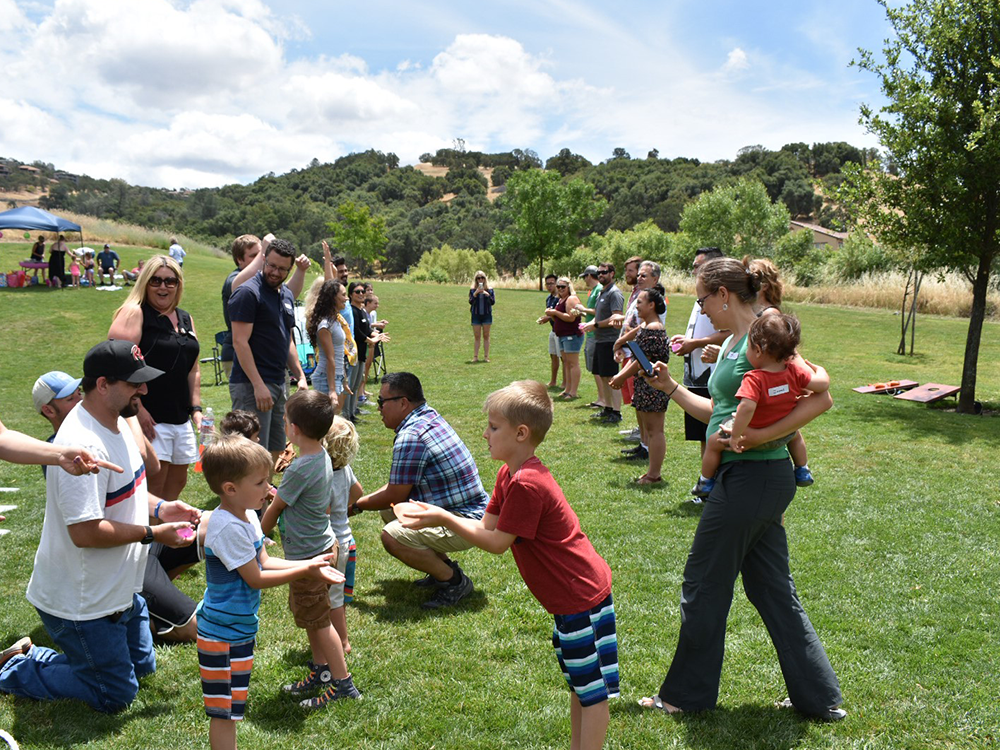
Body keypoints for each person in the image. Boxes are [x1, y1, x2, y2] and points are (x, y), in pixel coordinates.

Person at [635, 257, 845, 721]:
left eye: (703, 298)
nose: (701, 308)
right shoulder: (733, 342)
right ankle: (819, 698)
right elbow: (720, 411)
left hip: (753, 477)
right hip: (755, 480)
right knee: (772, 588)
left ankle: (685, 696)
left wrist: (762, 437)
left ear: (723, 295)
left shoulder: (767, 331)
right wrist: (669, 386)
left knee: (704, 582)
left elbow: (821, 395)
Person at [398, 380, 618, 750]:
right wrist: (438, 516)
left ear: (521, 433)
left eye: (493, 427)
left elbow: (498, 543)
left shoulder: (528, 484)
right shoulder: (508, 474)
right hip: (571, 597)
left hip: (580, 596)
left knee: (592, 695)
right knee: (581, 686)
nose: (484, 434)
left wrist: (443, 517)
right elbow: (486, 526)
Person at [0, 340, 200, 713]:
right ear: (104, 384)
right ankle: (13, 669)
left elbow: (129, 492)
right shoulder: (80, 443)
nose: (143, 389)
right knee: (114, 695)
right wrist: (154, 533)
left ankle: (32, 655)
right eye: (134, 382)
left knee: (144, 669)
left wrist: (163, 507)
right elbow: (86, 532)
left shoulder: (118, 420)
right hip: (82, 603)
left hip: (120, 589)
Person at [198, 434, 343, 749]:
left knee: (233, 707)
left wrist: (307, 563)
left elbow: (263, 560)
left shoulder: (248, 515)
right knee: (224, 713)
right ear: (230, 489)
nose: (270, 489)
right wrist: (306, 569)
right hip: (220, 635)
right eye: (261, 483)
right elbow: (256, 578)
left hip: (238, 629)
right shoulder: (227, 528)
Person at [351, 372, 488, 610]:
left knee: (392, 535)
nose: (379, 408)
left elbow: (395, 494)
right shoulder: (427, 417)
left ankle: (454, 582)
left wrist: (354, 506)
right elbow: (398, 489)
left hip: (465, 522)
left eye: (383, 402)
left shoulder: (411, 435)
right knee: (390, 510)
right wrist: (363, 502)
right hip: (471, 512)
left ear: (403, 402)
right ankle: (444, 569)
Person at [261, 390, 361, 709]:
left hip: (309, 556)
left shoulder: (299, 468)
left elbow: (275, 510)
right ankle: (322, 671)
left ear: (294, 430)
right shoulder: (320, 456)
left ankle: (342, 683)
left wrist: (254, 539)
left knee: (319, 621)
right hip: (318, 547)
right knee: (311, 615)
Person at [693, 313, 829, 498]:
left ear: (757, 350)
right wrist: (820, 370)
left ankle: (706, 481)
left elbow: (746, 408)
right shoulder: (795, 372)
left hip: (754, 435)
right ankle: (802, 469)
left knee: (712, 443)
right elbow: (821, 385)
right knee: (796, 436)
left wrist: (735, 435)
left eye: (747, 347)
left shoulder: (754, 379)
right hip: (783, 435)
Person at [108, 255, 202, 501]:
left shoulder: (185, 318)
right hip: (150, 416)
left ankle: (164, 537)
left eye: (170, 281)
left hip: (180, 418)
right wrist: (137, 409)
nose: (163, 287)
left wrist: (196, 409)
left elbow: (193, 369)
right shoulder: (134, 313)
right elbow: (116, 365)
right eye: (156, 281)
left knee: (178, 481)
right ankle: (147, 537)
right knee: (154, 484)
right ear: (145, 282)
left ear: (178, 285)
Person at [228, 238, 309, 461]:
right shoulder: (248, 293)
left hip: (278, 382)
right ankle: (245, 495)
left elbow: (287, 340)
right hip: (251, 384)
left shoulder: (285, 296)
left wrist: (300, 375)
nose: (275, 272)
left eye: (282, 269)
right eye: (272, 265)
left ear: (289, 269)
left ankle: (264, 493)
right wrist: (257, 385)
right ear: (263, 259)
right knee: (251, 451)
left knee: (275, 446)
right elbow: (240, 342)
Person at [746, 257, 815, 486]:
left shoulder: (769, 315)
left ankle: (802, 467)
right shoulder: (756, 312)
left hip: (774, 382)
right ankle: (802, 468)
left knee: (789, 429)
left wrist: (803, 376)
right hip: (768, 381)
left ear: (763, 285)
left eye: (751, 277)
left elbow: (787, 353)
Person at [669, 248, 729, 475]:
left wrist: (695, 344)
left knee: (713, 432)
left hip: (712, 374)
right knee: (703, 436)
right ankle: (707, 483)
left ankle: (712, 485)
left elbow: (729, 333)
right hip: (695, 374)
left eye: (698, 266)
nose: (694, 270)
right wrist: (687, 340)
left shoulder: (721, 297)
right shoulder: (701, 295)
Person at [610, 287, 670, 484]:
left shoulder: (654, 328)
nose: (637, 307)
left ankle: (654, 475)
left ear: (652, 305)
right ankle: (651, 472)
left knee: (655, 431)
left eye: (640, 303)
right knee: (649, 430)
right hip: (646, 385)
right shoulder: (648, 325)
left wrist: (620, 377)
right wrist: (620, 341)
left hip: (654, 386)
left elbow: (641, 360)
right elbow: (637, 332)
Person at [324, 416, 362, 655]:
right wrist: (344, 509)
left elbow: (323, 511)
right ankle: (339, 637)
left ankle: (342, 643)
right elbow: (358, 493)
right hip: (347, 541)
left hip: (333, 546)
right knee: (337, 597)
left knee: (333, 601)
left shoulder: (324, 475)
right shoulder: (345, 469)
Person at [583, 263, 625, 424]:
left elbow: (616, 318)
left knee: (612, 377)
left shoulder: (614, 293)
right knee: (603, 376)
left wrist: (597, 325)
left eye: (604, 272)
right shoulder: (602, 291)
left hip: (609, 340)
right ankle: (607, 408)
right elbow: (599, 316)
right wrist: (592, 323)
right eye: (598, 272)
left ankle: (616, 412)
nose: (600, 275)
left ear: (612, 273)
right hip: (600, 339)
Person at [221, 235, 262, 378]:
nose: (261, 259)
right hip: (236, 355)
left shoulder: (261, 281)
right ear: (239, 259)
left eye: (262, 253)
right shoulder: (234, 278)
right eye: (254, 256)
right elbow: (236, 286)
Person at [306, 279, 350, 411]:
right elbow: (330, 358)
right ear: (332, 297)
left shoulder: (335, 321)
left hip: (335, 377)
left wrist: (344, 380)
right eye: (343, 295)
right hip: (326, 379)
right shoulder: (325, 325)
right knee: (327, 422)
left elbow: (339, 353)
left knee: (336, 418)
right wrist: (332, 390)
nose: (346, 298)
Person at [543, 277, 584, 400]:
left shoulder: (571, 299)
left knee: (573, 363)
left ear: (569, 287)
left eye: (563, 287)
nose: (560, 289)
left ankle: (573, 391)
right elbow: (560, 318)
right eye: (558, 287)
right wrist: (551, 314)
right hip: (562, 334)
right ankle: (567, 389)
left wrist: (554, 313)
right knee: (566, 362)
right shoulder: (561, 300)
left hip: (571, 334)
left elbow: (571, 317)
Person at [575, 266, 605, 408]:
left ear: (589, 276)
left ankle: (602, 399)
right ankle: (601, 398)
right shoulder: (593, 291)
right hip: (591, 332)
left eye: (584, 277)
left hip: (596, 333)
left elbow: (599, 311)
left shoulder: (598, 289)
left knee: (596, 367)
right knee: (593, 367)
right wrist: (581, 314)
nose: (584, 280)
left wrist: (583, 309)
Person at [537, 274, 564, 390]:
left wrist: (546, 318)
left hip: (561, 331)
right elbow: (551, 314)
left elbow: (558, 315)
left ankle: (565, 382)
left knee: (564, 358)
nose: (549, 286)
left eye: (552, 283)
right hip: (553, 331)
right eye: (547, 284)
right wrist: (546, 318)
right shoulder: (549, 299)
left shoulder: (560, 298)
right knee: (553, 355)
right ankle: (553, 381)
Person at [469, 271, 495, 362]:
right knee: (477, 336)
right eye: (478, 278)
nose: (480, 280)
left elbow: (492, 302)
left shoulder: (490, 290)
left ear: (485, 279)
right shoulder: (472, 290)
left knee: (486, 335)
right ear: (476, 280)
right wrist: (476, 293)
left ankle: (486, 357)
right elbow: (471, 301)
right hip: (476, 315)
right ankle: (475, 357)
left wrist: (486, 294)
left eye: (482, 278)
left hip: (486, 315)